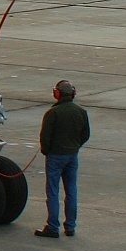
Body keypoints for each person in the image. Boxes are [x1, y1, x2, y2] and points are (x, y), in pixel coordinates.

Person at [35, 79, 91, 238]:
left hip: (55, 156)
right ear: (73, 93)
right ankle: (70, 227)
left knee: (53, 191)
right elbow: (85, 135)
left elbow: (45, 137)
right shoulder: (81, 112)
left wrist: (47, 150)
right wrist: (74, 146)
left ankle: (53, 226)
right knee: (71, 190)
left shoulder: (53, 113)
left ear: (57, 94)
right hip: (72, 155)